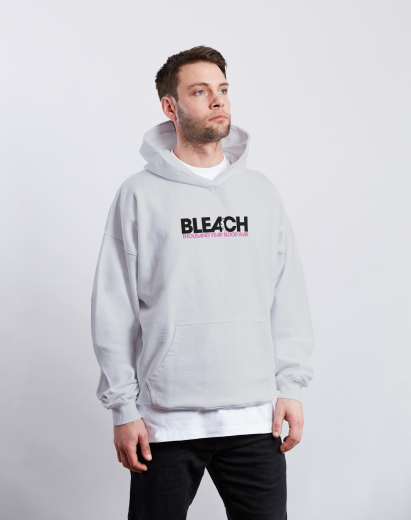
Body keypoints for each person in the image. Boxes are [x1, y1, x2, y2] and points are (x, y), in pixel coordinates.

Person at [91, 45, 315, 520]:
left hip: (255, 420)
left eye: (223, 90)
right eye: (199, 91)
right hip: (164, 425)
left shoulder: (261, 193)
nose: (218, 100)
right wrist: (123, 408)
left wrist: (291, 387)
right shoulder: (138, 195)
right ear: (170, 107)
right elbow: (114, 307)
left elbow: (288, 297)